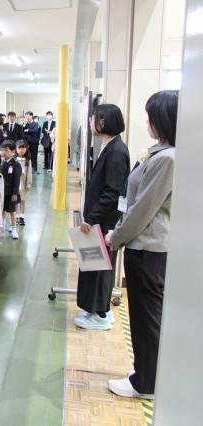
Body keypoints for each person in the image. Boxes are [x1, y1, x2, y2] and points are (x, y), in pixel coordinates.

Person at [104, 90, 178, 399]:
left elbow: (142, 209)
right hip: (144, 246)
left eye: (150, 117)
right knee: (144, 316)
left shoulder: (167, 159)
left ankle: (146, 383)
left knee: (147, 317)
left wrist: (116, 236)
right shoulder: (161, 153)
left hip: (148, 249)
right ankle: (145, 372)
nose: (146, 122)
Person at [74, 104, 130, 331]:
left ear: (103, 122)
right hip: (100, 219)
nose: (90, 122)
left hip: (104, 221)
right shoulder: (110, 147)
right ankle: (97, 310)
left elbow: (112, 192)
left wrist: (91, 218)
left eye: (93, 118)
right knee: (95, 266)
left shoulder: (116, 151)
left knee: (101, 268)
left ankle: (101, 314)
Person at [0, 140, 23, 240]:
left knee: (12, 211)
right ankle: (2, 227)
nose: (4, 152)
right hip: (2, 192)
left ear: (12, 151)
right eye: (2, 150)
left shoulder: (16, 164)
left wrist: (14, 193)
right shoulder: (1, 163)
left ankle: (14, 229)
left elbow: (17, 180)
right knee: (2, 210)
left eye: (6, 150)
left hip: (11, 192)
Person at [15, 140, 33, 226]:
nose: (21, 150)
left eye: (23, 148)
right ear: (16, 149)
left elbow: (29, 173)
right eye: (19, 148)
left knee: (22, 201)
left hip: (23, 183)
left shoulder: (27, 160)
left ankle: (22, 217)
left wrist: (28, 184)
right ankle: (15, 216)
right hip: (15, 183)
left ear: (26, 149)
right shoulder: (14, 159)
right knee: (15, 201)